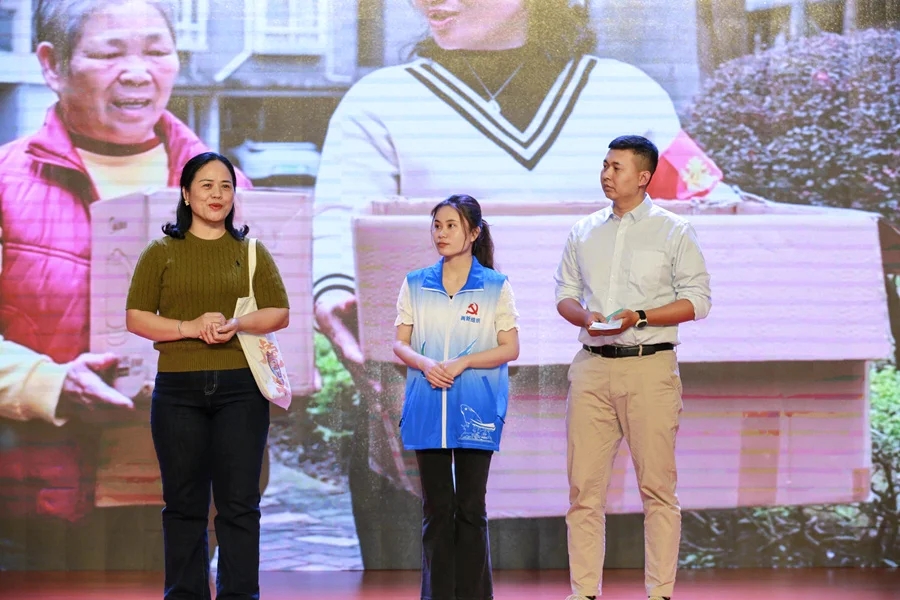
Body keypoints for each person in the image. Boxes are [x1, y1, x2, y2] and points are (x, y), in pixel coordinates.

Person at [313, 0, 730, 395]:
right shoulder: (380, 101)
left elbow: (716, 212)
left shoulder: (626, 92)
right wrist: (335, 290)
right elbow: (341, 223)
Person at [0, 0, 250, 535]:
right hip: (33, 497)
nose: (137, 72)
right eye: (109, 53)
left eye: (157, 51)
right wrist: (47, 384)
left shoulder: (230, 190)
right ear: (51, 64)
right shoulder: (6, 185)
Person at [554, 135, 712, 600]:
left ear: (643, 177)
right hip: (591, 367)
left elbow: (698, 301)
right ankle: (584, 592)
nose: (606, 174)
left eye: (617, 167)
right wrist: (583, 317)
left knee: (657, 488)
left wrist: (639, 316)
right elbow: (564, 294)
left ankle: (659, 592)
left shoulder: (674, 230)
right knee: (583, 490)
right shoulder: (583, 231)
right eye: (604, 165)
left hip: (650, 367)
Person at [125, 152, 289, 599]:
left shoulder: (250, 251)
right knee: (183, 505)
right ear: (186, 194)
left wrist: (238, 323)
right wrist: (189, 327)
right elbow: (136, 317)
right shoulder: (161, 252)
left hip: (241, 389)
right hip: (178, 390)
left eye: (226, 186)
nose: (217, 194)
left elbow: (279, 312)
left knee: (240, 505)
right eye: (206, 185)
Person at [392, 194, 520, 600]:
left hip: (475, 408)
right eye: (437, 225)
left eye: (451, 225)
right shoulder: (415, 283)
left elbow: (510, 348)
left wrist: (464, 363)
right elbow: (400, 343)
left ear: (474, 232)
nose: (441, 233)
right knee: (436, 510)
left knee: (470, 508)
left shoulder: (495, 286)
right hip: (427, 404)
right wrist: (425, 363)